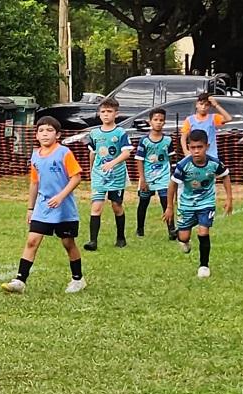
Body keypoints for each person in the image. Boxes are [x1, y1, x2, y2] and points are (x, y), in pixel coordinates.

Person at [1, 116, 86, 294]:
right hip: (42, 206)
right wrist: (30, 208)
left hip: (64, 208)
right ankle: (20, 280)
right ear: (36, 135)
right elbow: (34, 183)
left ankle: (78, 279)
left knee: (68, 243)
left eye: (49, 130)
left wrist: (61, 196)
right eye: (41, 131)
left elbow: (76, 177)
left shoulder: (64, 152)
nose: (45, 134)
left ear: (58, 135)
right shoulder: (35, 156)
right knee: (32, 241)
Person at [163, 129, 233, 278]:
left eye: (199, 147)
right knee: (183, 236)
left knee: (203, 231)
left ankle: (204, 266)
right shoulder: (183, 165)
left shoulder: (214, 163)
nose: (196, 151)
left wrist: (229, 199)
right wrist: (169, 207)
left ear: (207, 146)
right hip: (186, 205)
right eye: (193, 148)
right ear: (188, 147)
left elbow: (225, 176)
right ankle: (184, 241)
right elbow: (172, 185)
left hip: (206, 203)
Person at [82, 97, 133, 251]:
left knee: (116, 205)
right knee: (96, 206)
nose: (106, 114)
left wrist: (112, 163)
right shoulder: (94, 133)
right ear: (99, 114)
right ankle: (93, 241)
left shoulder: (120, 132)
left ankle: (121, 237)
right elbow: (93, 153)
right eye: (103, 111)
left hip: (116, 175)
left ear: (116, 114)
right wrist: (92, 170)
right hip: (99, 176)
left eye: (109, 111)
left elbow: (127, 153)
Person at [135, 107, 177, 240]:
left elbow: (171, 159)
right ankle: (140, 229)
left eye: (161, 120)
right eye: (155, 120)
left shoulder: (168, 140)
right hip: (148, 177)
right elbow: (140, 160)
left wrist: (173, 176)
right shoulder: (144, 141)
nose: (158, 122)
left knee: (166, 202)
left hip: (164, 178)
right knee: (143, 203)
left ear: (164, 122)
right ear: (150, 122)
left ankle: (171, 230)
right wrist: (142, 179)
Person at [180, 93, 232, 159]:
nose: (203, 107)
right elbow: (183, 137)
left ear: (210, 106)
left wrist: (216, 105)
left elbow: (228, 118)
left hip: (211, 154)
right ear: (197, 104)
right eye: (201, 104)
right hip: (196, 154)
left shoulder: (213, 118)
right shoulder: (190, 120)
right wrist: (186, 151)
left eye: (206, 105)